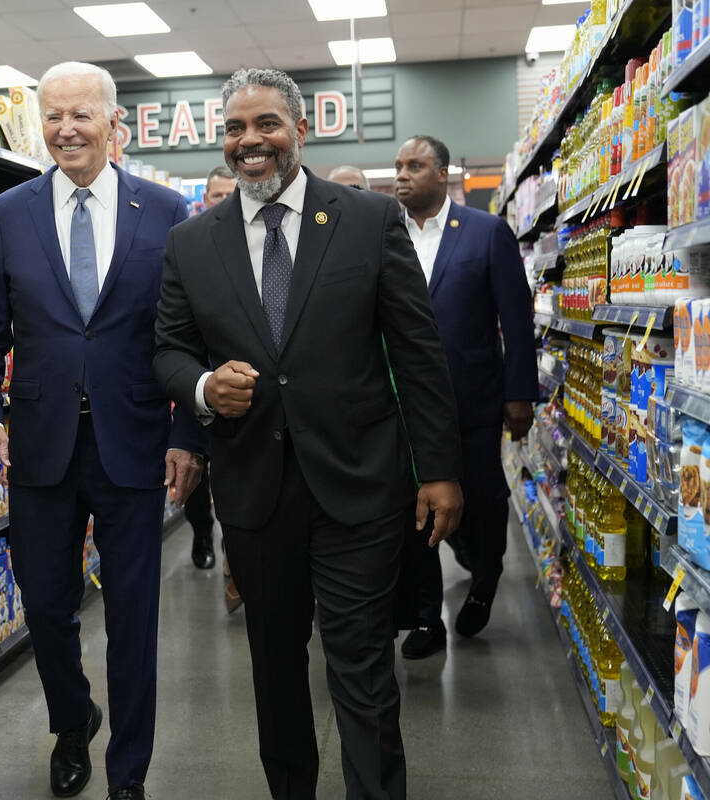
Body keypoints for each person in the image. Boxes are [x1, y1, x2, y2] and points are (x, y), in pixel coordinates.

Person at [153, 68, 464, 800]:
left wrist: (440, 469)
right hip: (255, 496)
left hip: (359, 485)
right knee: (276, 670)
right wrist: (203, 389)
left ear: (301, 129)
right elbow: (168, 348)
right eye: (234, 129)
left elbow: (417, 352)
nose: (249, 142)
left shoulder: (367, 220)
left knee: (360, 668)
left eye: (265, 124)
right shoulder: (192, 242)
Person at [0, 61, 205, 800]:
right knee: (43, 601)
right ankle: (74, 720)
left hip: (134, 443)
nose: (66, 129)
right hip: (39, 447)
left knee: (134, 618)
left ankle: (127, 774)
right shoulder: (11, 213)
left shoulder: (164, 212)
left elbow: (193, 334)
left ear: (114, 126)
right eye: (53, 115)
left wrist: (190, 437)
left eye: (81, 115)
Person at [392, 135, 536, 659]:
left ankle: (485, 576)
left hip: (473, 397)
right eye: (399, 166)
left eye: (416, 165)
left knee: (484, 498)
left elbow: (516, 320)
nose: (403, 175)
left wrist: (520, 392)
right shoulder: (387, 234)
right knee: (418, 511)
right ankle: (427, 620)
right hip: (407, 406)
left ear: (444, 173)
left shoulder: (486, 232)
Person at [185, 166, 234, 574]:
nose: (223, 202)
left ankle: (236, 550)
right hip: (194, 383)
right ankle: (202, 530)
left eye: (229, 195)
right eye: (216, 196)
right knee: (197, 469)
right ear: (205, 200)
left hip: (243, 384)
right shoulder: (188, 244)